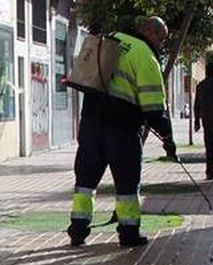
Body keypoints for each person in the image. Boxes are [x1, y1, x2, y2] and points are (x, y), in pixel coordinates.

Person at [67, 17, 176, 248]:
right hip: (122, 129)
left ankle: (77, 229)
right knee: (127, 185)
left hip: (90, 124)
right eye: (161, 37)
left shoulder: (110, 39)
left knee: (85, 182)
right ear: (149, 31)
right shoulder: (144, 55)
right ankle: (128, 233)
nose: (161, 43)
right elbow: (154, 106)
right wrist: (167, 137)